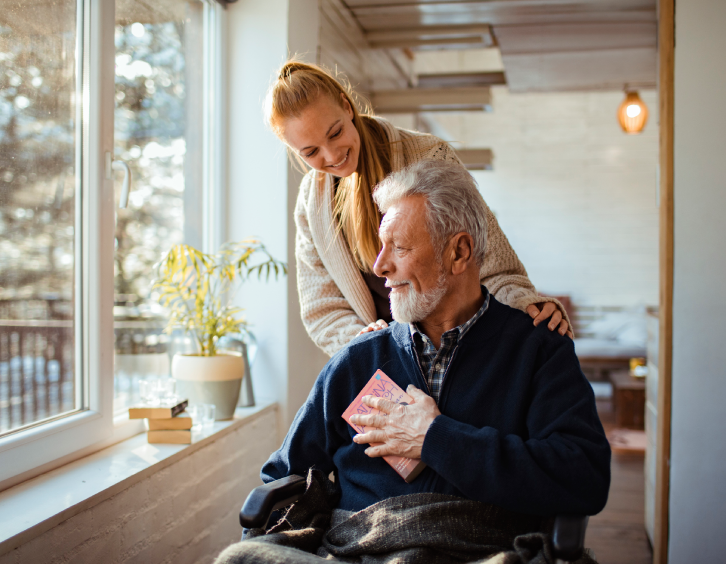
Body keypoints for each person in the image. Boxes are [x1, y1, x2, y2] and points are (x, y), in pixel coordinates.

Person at [216, 160, 610, 564]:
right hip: (356, 550)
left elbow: (585, 479)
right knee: (242, 558)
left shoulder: (538, 350)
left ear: (459, 252)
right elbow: (282, 475)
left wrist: (435, 438)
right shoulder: (359, 359)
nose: (379, 265)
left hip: (480, 552)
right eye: (381, 245)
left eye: (399, 247)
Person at [265, 61, 572, 357]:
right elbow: (323, 308)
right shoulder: (311, 203)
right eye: (311, 152)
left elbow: (488, 257)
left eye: (335, 133)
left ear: (347, 107)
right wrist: (361, 344)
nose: (332, 155)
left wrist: (525, 303)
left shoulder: (429, 155)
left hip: (459, 346)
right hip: (383, 362)